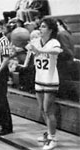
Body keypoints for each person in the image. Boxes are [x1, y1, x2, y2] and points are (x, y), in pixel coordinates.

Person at [18, 18, 62, 150]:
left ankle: (53, 139)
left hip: (50, 79)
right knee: (42, 110)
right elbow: (28, 56)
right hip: (39, 78)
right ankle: (49, 133)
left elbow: (57, 52)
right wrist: (20, 63)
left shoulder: (54, 42)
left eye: (43, 27)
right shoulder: (36, 41)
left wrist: (40, 51)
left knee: (49, 110)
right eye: (40, 26)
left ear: (50, 29)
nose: (40, 29)